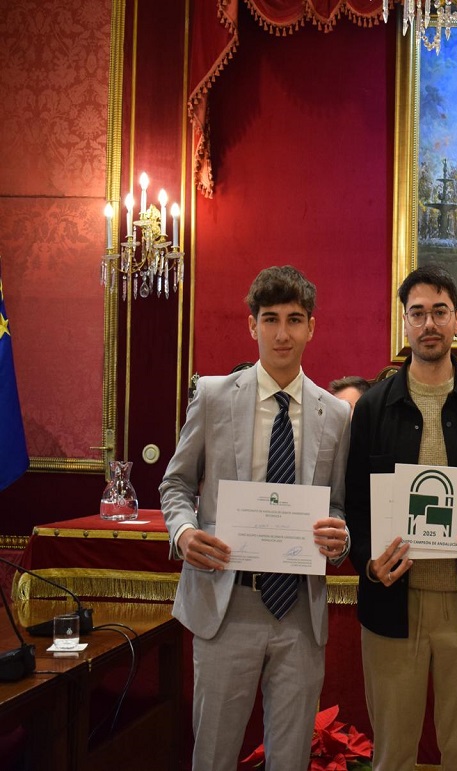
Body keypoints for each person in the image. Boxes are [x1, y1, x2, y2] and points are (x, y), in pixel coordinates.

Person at [160, 265, 352, 771]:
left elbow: (338, 504)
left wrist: (341, 532)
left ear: (312, 326)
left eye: (294, 319)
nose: (283, 333)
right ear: (252, 326)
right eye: (271, 319)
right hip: (227, 602)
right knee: (215, 755)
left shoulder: (335, 414)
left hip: (299, 611)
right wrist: (182, 532)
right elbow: (176, 484)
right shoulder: (214, 394)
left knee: (289, 759)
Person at [345, 264, 457, 771]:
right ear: (405, 325)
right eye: (417, 314)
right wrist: (370, 565)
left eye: (439, 312)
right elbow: (353, 505)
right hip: (393, 605)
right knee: (392, 754)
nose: (429, 324)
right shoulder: (373, 408)